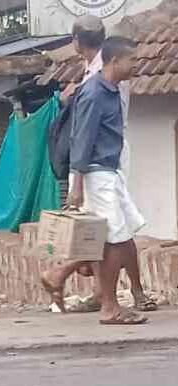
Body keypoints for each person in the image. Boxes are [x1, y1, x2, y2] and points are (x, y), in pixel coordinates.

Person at [41, 17, 157, 315]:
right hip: (97, 171)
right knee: (113, 238)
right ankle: (108, 304)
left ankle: (84, 286)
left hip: (110, 168)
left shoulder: (106, 87)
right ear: (115, 60)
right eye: (131, 60)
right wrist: (77, 185)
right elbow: (82, 139)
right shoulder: (94, 91)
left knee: (119, 233)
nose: (136, 66)